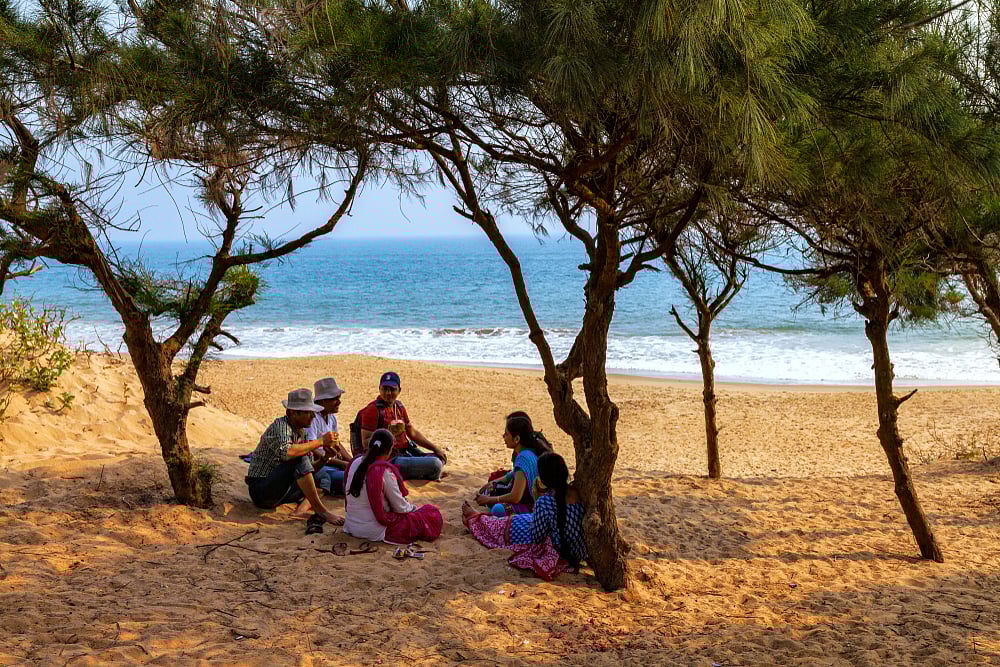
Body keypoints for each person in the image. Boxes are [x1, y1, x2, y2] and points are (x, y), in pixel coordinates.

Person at [462, 452, 587, 581]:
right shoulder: (581, 493)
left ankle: (477, 519)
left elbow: (536, 537)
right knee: (522, 518)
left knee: (509, 525)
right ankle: (480, 517)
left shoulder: (545, 502)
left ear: (544, 479)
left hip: (558, 550)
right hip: (578, 552)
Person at [245, 388, 344, 525]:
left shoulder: (302, 431)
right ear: (292, 413)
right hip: (262, 491)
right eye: (308, 413)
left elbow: (308, 470)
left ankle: (301, 510)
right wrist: (320, 441)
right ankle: (321, 510)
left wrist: (325, 457)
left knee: (322, 476)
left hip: (284, 490)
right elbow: (288, 453)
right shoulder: (280, 426)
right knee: (299, 457)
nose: (313, 417)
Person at [343, 428, 443, 544]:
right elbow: (401, 508)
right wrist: (414, 509)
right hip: (374, 531)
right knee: (431, 513)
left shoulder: (355, 462)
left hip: (352, 525)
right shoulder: (383, 472)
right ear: (389, 450)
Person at [358, 371, 446, 481]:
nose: (388, 393)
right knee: (435, 464)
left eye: (392, 389)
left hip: (406, 452)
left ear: (399, 390)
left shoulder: (399, 407)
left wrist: (435, 448)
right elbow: (366, 442)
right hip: (390, 459)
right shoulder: (373, 410)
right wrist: (387, 435)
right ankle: (422, 473)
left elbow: (412, 433)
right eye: (384, 389)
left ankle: (421, 472)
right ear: (379, 389)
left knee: (441, 457)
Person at [475, 414, 547, 516]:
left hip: (531, 507)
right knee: (493, 487)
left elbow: (515, 497)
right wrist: (493, 483)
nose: (503, 437)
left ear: (516, 439)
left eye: (506, 434)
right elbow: (513, 474)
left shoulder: (523, 458)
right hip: (531, 502)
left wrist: (489, 499)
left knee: (498, 509)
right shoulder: (529, 451)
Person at [305, 377, 352, 496]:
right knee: (351, 480)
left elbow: (338, 443)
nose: (339, 402)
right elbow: (312, 449)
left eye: (338, 398)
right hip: (320, 466)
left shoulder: (331, 417)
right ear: (323, 401)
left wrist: (352, 461)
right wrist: (343, 464)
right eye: (335, 399)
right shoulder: (312, 418)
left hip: (332, 462)